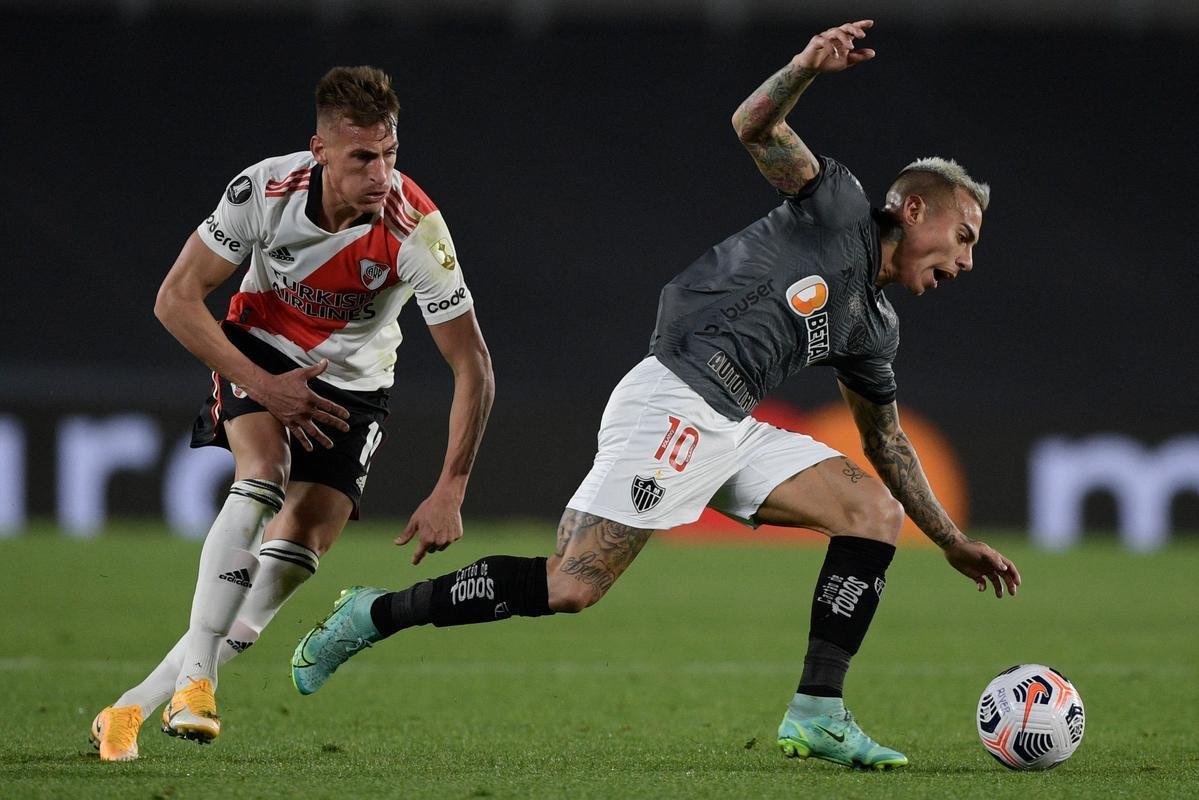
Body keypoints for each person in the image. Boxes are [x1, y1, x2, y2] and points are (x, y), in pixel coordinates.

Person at [290, 20, 1020, 771]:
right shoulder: (836, 205)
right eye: (964, 237)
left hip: (733, 425)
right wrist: (804, 65)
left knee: (873, 513)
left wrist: (950, 540)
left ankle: (817, 712)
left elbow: (886, 440)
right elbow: (753, 125)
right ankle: (372, 614)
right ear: (915, 209)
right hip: (672, 398)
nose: (965, 261)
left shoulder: (874, 325)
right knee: (570, 586)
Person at [89, 66, 494, 762]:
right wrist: (263, 386)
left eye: (390, 154)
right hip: (259, 351)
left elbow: (473, 366)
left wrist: (450, 488)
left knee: (296, 556)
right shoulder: (261, 191)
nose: (382, 174)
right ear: (320, 152)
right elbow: (176, 298)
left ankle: (129, 707)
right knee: (264, 472)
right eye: (363, 157)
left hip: (355, 386)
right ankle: (195, 685)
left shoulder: (415, 230)